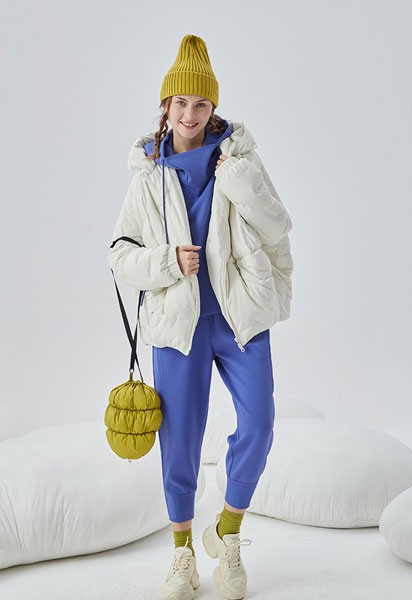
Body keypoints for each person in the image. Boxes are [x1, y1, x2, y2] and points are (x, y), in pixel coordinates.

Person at [107, 34, 293, 600]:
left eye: (202, 103)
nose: (190, 114)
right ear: (165, 106)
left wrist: (237, 178)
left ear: (214, 108)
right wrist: (167, 261)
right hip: (178, 324)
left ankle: (227, 533)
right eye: (181, 102)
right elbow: (119, 254)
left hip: (239, 318)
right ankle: (183, 552)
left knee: (259, 424)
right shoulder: (147, 176)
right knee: (180, 442)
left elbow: (277, 224)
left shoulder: (240, 160)